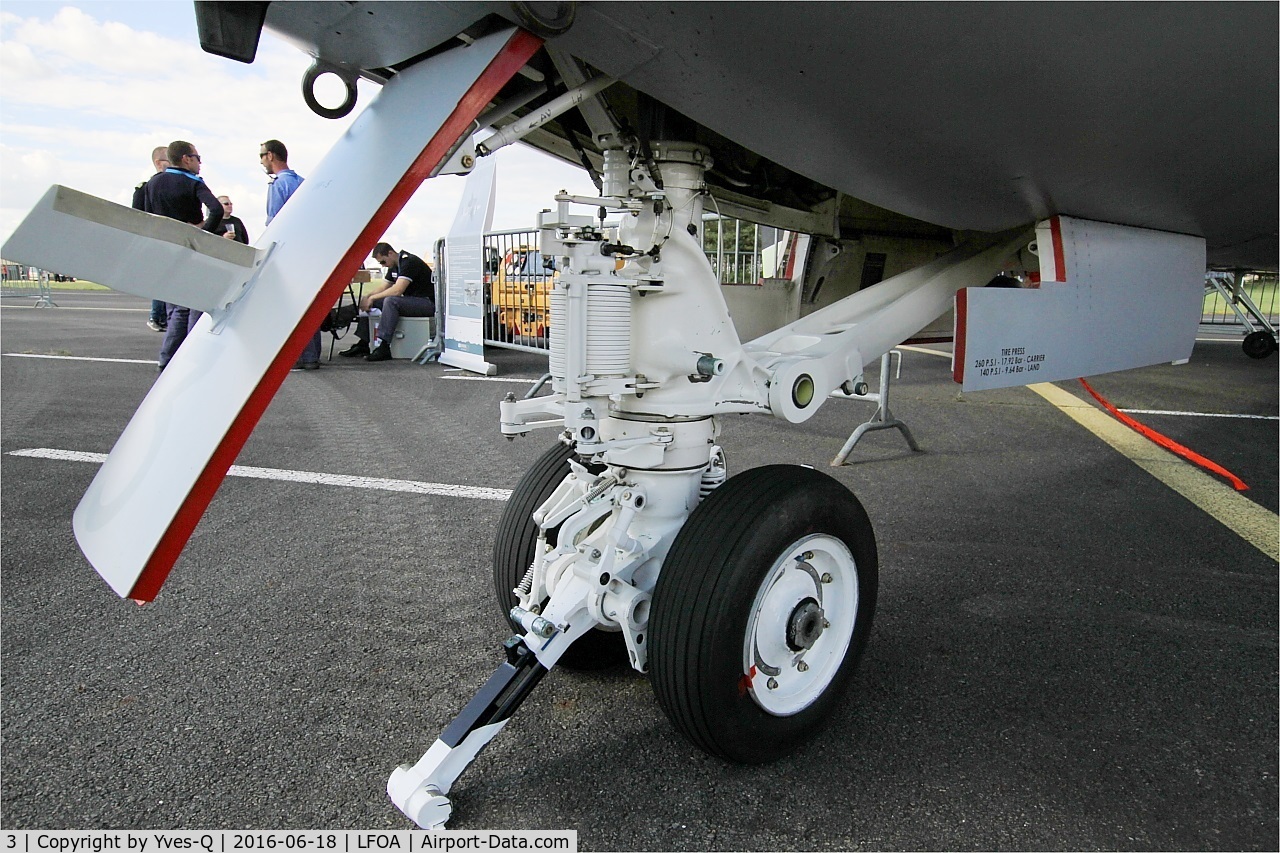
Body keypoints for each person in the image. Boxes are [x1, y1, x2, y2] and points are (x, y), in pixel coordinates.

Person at [144, 140, 223, 371]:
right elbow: (216, 209)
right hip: (189, 247)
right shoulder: (192, 181)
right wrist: (203, 231)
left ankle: (167, 358)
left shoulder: (153, 182)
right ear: (186, 159)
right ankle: (191, 356)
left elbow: (149, 216)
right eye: (198, 158)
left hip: (165, 249)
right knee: (194, 306)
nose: (200, 164)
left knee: (176, 307)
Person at [260, 139, 318, 370]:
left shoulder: (278, 186)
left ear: (271, 156)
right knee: (307, 304)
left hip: (288, 253)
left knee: (288, 306)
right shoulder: (303, 183)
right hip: (308, 251)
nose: (261, 160)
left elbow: (274, 223)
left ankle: (294, 356)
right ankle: (310, 355)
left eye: (262, 155)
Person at [339, 242, 435, 362]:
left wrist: (372, 298)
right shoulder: (394, 265)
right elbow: (384, 286)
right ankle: (363, 343)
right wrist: (368, 297)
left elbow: (397, 290)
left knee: (391, 301)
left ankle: (384, 346)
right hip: (413, 301)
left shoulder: (409, 262)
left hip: (427, 302)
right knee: (375, 302)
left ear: (390, 253)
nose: (383, 266)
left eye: (383, 262)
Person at [133, 145, 170, 332]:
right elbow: (137, 217)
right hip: (155, 240)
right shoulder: (145, 188)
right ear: (158, 163)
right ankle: (157, 316)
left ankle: (160, 316)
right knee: (162, 281)